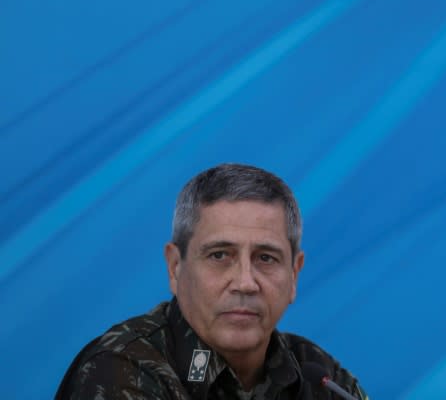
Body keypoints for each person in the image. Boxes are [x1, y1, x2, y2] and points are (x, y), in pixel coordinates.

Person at [56, 163, 368, 399]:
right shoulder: (120, 369)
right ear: (176, 268)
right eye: (220, 255)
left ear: (294, 274)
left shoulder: (322, 378)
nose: (245, 282)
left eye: (266, 258)